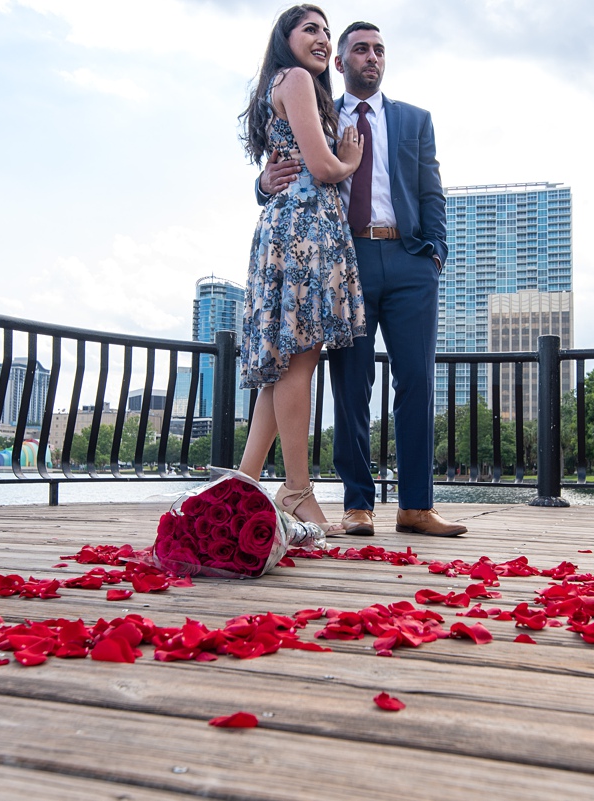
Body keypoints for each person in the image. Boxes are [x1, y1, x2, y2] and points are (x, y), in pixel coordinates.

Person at [259, 21, 466, 537]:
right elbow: (288, 166)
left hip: (408, 259)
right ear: (340, 62)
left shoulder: (415, 120)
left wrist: (434, 255)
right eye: (360, 49)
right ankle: (357, 505)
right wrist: (261, 183)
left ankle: (417, 506)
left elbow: (432, 191)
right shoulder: (324, 115)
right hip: (343, 262)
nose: (371, 57)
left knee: (416, 381)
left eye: (379, 50)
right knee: (351, 385)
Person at [236, 5, 366, 532]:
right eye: (310, 29)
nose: (320, 39)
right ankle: (295, 489)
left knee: (284, 369)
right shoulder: (294, 79)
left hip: (296, 227)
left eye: (326, 33)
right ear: (284, 38)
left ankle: (242, 486)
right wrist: (350, 160)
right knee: (299, 362)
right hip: (306, 231)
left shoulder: (287, 84)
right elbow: (323, 167)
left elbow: (292, 165)